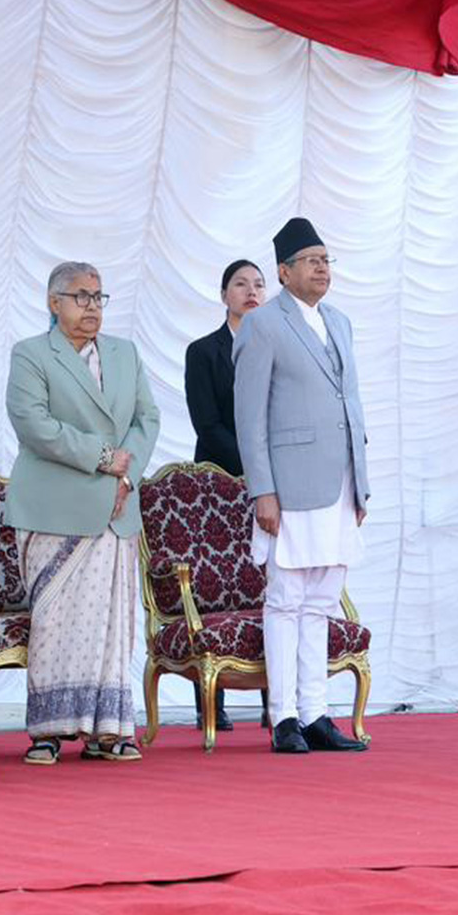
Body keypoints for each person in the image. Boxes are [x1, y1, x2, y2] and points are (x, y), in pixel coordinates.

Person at [6, 262, 160, 765]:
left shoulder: (124, 353)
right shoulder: (31, 355)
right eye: (81, 297)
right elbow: (33, 424)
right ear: (55, 303)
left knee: (112, 626)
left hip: (116, 508)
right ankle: (49, 730)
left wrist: (125, 474)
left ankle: (108, 731)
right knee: (55, 622)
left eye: (99, 297)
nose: (92, 306)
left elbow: (146, 418)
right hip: (54, 509)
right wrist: (101, 458)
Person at [233, 217, 369, 755]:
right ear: (284, 272)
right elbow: (250, 416)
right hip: (288, 485)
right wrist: (261, 490)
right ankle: (283, 715)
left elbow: (352, 404)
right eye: (311, 260)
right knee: (286, 598)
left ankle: (316, 712)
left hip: (338, 481)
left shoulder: (339, 322)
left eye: (326, 259)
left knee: (321, 601)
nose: (322, 268)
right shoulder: (263, 325)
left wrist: (361, 484)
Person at [184, 257, 267, 731]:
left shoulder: (275, 346)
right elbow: (207, 423)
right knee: (212, 587)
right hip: (218, 482)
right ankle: (209, 704)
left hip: (267, 486)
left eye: (258, 284)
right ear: (224, 295)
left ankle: (273, 701)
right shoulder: (204, 352)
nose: (250, 291)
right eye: (240, 284)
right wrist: (250, 468)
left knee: (266, 584)